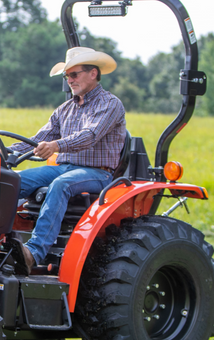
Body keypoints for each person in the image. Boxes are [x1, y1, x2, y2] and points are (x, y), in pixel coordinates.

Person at [10, 47, 127, 271]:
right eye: (67, 76)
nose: (70, 80)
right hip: (64, 167)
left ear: (93, 73)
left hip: (97, 173)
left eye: (74, 74)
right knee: (12, 180)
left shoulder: (110, 104)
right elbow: (38, 139)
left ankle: (33, 252)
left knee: (61, 185)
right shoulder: (65, 109)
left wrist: (56, 145)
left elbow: (89, 136)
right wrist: (4, 152)